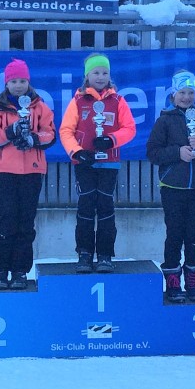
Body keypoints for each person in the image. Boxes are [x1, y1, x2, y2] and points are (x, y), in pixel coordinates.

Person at [146, 70, 195, 302]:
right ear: (173, 94)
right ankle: (172, 280)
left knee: (194, 235)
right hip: (172, 188)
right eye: (182, 93)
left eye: (190, 92)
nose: (186, 97)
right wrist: (177, 153)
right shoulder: (165, 121)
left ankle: (193, 280)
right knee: (174, 234)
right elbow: (153, 152)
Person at [59, 53, 136, 273]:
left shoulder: (118, 101)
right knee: (85, 206)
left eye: (104, 72)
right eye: (96, 72)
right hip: (84, 164)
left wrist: (111, 140)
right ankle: (84, 253)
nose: (100, 77)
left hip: (109, 163)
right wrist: (77, 152)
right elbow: (66, 131)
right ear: (87, 76)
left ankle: (105, 254)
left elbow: (130, 129)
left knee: (106, 207)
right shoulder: (78, 100)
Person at [0, 59, 57, 289]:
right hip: (5, 171)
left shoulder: (40, 107)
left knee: (26, 222)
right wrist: (10, 131)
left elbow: (50, 134)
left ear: (28, 82)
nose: (18, 85)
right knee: (4, 220)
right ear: (6, 83)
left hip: (32, 172)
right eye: (14, 81)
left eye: (22, 81)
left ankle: (20, 271)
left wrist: (33, 139)